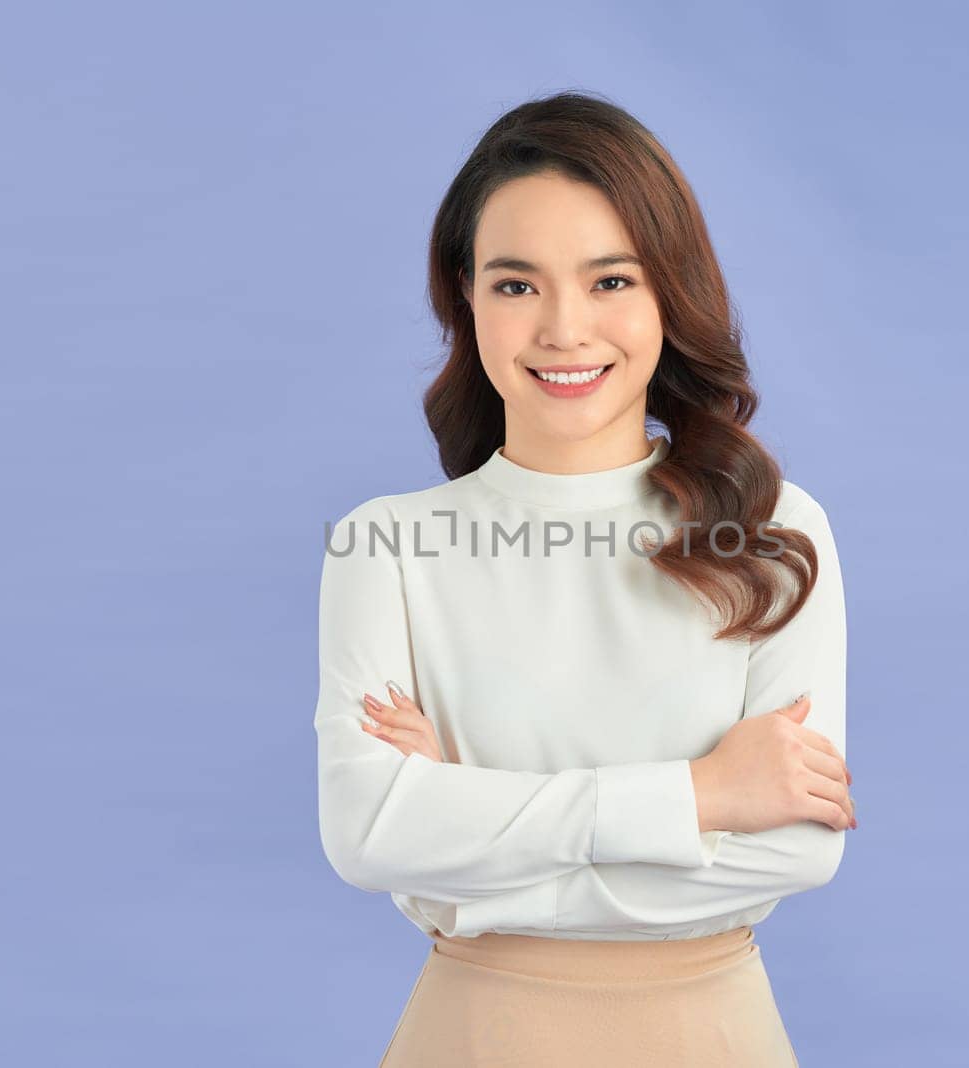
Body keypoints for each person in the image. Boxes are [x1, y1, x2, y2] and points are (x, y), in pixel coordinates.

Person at [314, 89, 855, 1067]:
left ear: (668, 292)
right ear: (465, 297)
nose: (564, 329)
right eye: (517, 285)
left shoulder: (771, 531)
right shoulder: (386, 546)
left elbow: (796, 849)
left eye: (610, 281)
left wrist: (466, 845)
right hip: (472, 1036)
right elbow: (367, 833)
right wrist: (698, 795)